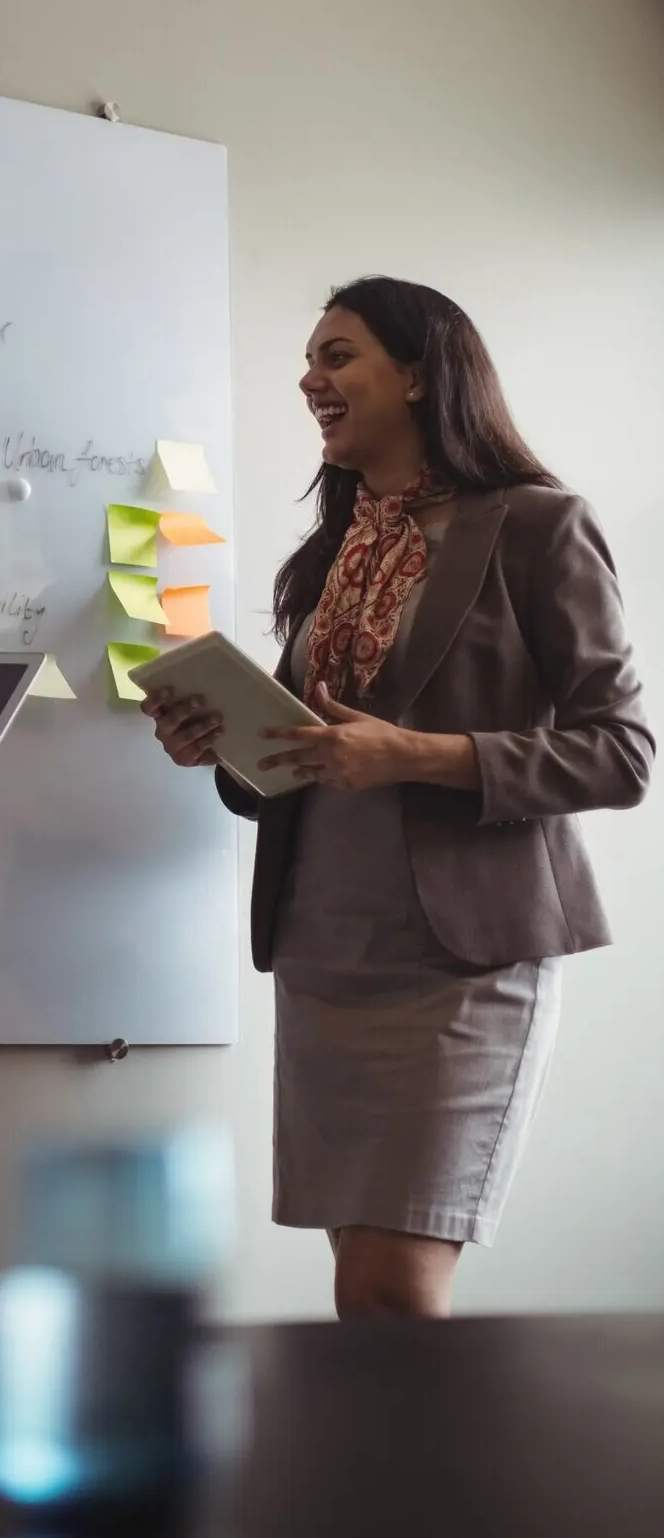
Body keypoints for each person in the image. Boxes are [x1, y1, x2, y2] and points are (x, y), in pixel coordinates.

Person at [144, 278, 652, 1320]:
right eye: (311, 360)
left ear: (419, 374)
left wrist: (418, 756)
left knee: (393, 1288)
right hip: (326, 951)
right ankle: (384, 1488)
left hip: (459, 964)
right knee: (360, 1291)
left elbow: (622, 754)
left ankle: (424, 1490)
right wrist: (225, 748)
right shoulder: (337, 551)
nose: (309, 379)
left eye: (338, 356)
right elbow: (309, 762)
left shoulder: (538, 526)